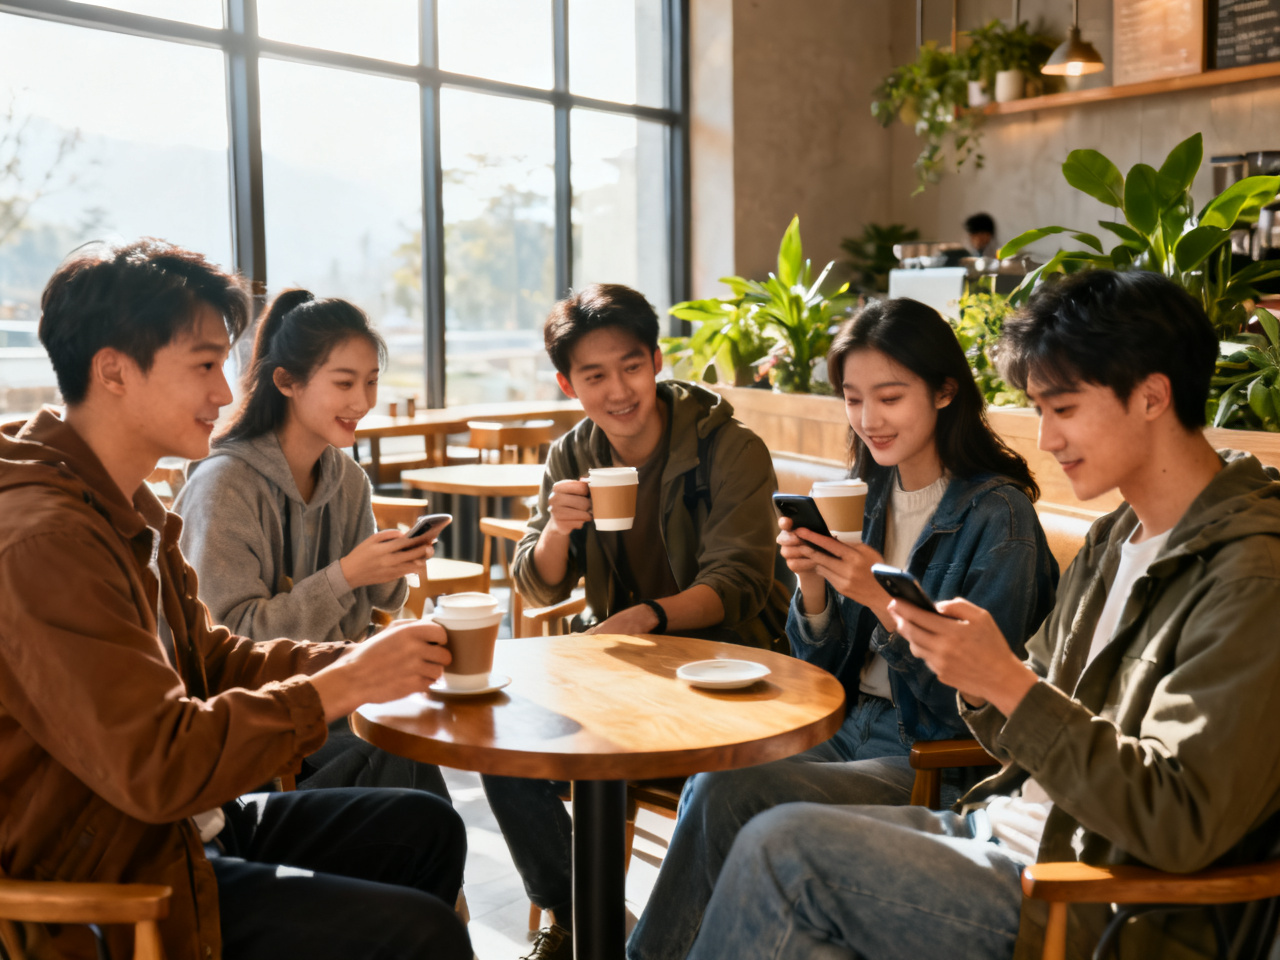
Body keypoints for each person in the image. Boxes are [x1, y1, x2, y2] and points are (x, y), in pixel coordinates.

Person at [684, 269, 1280, 960]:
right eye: (1039, 411)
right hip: (997, 829)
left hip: (1081, 902)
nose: (1047, 439)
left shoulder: (1251, 576)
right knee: (760, 848)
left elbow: (1180, 822)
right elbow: (1014, 729)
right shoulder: (1116, 540)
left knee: (783, 851)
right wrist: (974, 671)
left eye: (1063, 409)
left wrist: (1003, 682)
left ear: (1152, 396)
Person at [0, 240, 471, 960]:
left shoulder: (130, 506)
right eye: (204, 364)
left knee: (423, 826)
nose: (225, 391)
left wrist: (359, 660)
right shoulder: (46, 542)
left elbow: (215, 656)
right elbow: (158, 765)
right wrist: (345, 685)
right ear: (114, 371)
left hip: (188, 829)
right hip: (123, 874)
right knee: (421, 933)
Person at [627, 297, 1058, 960]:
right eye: (854, 399)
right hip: (845, 724)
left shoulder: (996, 517)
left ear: (945, 391)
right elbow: (823, 671)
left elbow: (967, 710)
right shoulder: (867, 494)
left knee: (740, 805)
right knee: (716, 784)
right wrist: (813, 586)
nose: (869, 420)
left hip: (926, 756)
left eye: (889, 397)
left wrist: (879, 596)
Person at [488, 282, 791, 960]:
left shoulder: (730, 448)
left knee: (615, 764)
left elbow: (738, 583)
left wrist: (642, 618)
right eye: (594, 375)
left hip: (732, 663)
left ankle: (620, 934)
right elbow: (536, 586)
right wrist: (558, 531)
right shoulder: (572, 453)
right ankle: (579, 919)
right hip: (622, 668)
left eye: (630, 366)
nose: (618, 390)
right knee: (498, 737)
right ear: (570, 384)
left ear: (656, 360)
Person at [174, 289, 450, 796]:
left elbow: (375, 610)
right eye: (344, 383)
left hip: (345, 698)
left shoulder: (347, 479)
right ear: (286, 382)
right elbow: (229, 643)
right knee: (397, 761)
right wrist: (346, 575)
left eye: (370, 383)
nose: (363, 403)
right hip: (260, 720)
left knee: (417, 742)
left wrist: (390, 569)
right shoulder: (224, 485)